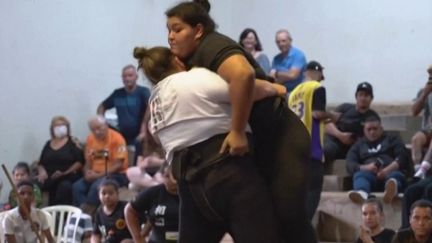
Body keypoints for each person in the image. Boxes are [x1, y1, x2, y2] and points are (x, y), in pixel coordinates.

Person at [165, 1, 312, 242]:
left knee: (288, 216)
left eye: (177, 29)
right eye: (168, 31)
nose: (171, 37)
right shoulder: (188, 64)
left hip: (281, 135)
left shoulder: (211, 44)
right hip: (254, 146)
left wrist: (236, 131)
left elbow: (243, 75)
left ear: (199, 30)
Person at [133, 45, 287, 243]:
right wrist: (277, 88)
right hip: (228, 172)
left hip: (190, 189)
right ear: (177, 60)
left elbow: (160, 140)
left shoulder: (154, 105)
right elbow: (246, 86)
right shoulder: (195, 77)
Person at [288, 60, 334, 221]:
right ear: (316, 72)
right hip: (310, 148)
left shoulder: (292, 93)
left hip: (292, 150)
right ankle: (301, 230)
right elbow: (316, 114)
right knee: (312, 191)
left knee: (296, 196)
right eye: (321, 75)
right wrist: (333, 115)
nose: (322, 79)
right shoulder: (316, 87)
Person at [72, 115, 129, 214]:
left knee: (97, 186)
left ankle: (87, 214)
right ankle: (83, 214)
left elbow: (119, 164)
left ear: (106, 125)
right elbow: (88, 162)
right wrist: (87, 173)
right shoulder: (90, 139)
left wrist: (98, 175)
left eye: (99, 128)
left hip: (116, 174)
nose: (97, 132)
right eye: (93, 130)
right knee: (77, 187)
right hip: (95, 174)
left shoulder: (117, 138)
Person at [346, 115, 408, 204]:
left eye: (375, 129)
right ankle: (362, 193)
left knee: (395, 177)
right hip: (369, 175)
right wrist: (366, 167)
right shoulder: (358, 145)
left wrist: (387, 170)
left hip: (390, 171)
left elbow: (402, 157)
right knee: (360, 176)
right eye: (369, 129)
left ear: (381, 128)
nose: (372, 132)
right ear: (364, 130)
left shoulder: (392, 138)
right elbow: (350, 163)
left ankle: (391, 191)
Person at [97, 64, 151, 165]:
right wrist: (103, 124)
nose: (127, 78)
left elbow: (151, 106)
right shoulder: (117, 94)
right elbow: (101, 107)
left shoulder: (143, 92)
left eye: (130, 75)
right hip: (122, 135)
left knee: (137, 162)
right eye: (124, 76)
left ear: (136, 77)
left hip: (139, 135)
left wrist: (144, 126)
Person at [324, 82, 380, 165]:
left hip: (354, 147)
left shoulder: (373, 117)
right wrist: (340, 135)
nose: (363, 98)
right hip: (335, 141)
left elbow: (374, 137)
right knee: (327, 149)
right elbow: (327, 124)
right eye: (360, 95)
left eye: (366, 95)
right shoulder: (345, 108)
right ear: (356, 97)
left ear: (371, 98)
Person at [36, 115, 84, 205]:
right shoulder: (48, 144)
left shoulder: (73, 143)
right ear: (52, 129)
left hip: (67, 175)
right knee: (34, 185)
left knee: (64, 186)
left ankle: (60, 215)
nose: (60, 128)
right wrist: (42, 172)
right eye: (57, 126)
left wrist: (65, 173)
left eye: (62, 125)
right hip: (49, 176)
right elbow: (40, 162)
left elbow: (79, 162)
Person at [125, 164, 179, 243]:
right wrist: (138, 238)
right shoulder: (153, 192)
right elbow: (130, 210)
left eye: (174, 176)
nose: (171, 180)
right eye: (167, 176)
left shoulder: (193, 193)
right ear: (163, 176)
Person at [410, 65, 432, 178]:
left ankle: (424, 169)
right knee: (416, 139)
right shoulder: (424, 91)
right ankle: (417, 171)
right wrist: (424, 94)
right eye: (430, 75)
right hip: (427, 130)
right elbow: (414, 112)